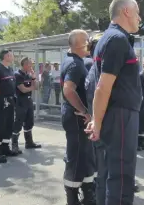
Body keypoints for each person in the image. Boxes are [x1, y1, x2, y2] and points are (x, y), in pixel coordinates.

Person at [85, 0, 142, 205]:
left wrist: (97, 119)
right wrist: (97, 122)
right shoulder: (116, 39)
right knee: (121, 175)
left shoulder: (112, 38)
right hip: (119, 115)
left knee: (110, 173)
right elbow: (103, 86)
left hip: (117, 113)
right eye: (137, 12)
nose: (139, 17)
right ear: (126, 11)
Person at [61, 29, 96, 205]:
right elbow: (68, 89)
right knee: (76, 156)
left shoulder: (75, 61)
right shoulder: (75, 64)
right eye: (86, 40)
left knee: (85, 155)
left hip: (77, 116)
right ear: (79, 43)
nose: (89, 42)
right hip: (76, 117)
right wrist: (84, 111)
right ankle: (72, 198)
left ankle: (88, 194)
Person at [11, 57, 41, 154]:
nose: (31, 66)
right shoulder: (17, 75)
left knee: (29, 121)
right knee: (18, 122)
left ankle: (29, 142)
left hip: (28, 101)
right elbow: (22, 89)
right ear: (24, 64)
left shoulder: (28, 75)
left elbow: (36, 87)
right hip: (20, 101)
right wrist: (31, 87)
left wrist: (33, 77)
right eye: (29, 64)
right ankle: (14, 145)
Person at [0, 50, 20, 156]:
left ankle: (6, 147)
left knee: (9, 124)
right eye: (10, 55)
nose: (12, 57)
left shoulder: (10, 69)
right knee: (2, 124)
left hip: (11, 100)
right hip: (2, 101)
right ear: (5, 56)